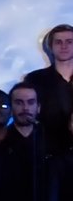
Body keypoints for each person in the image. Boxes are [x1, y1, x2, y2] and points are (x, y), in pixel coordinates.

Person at [24, 24, 73, 155]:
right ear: (50, 46)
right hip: (48, 154)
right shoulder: (35, 79)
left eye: (69, 42)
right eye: (58, 42)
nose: (64, 46)